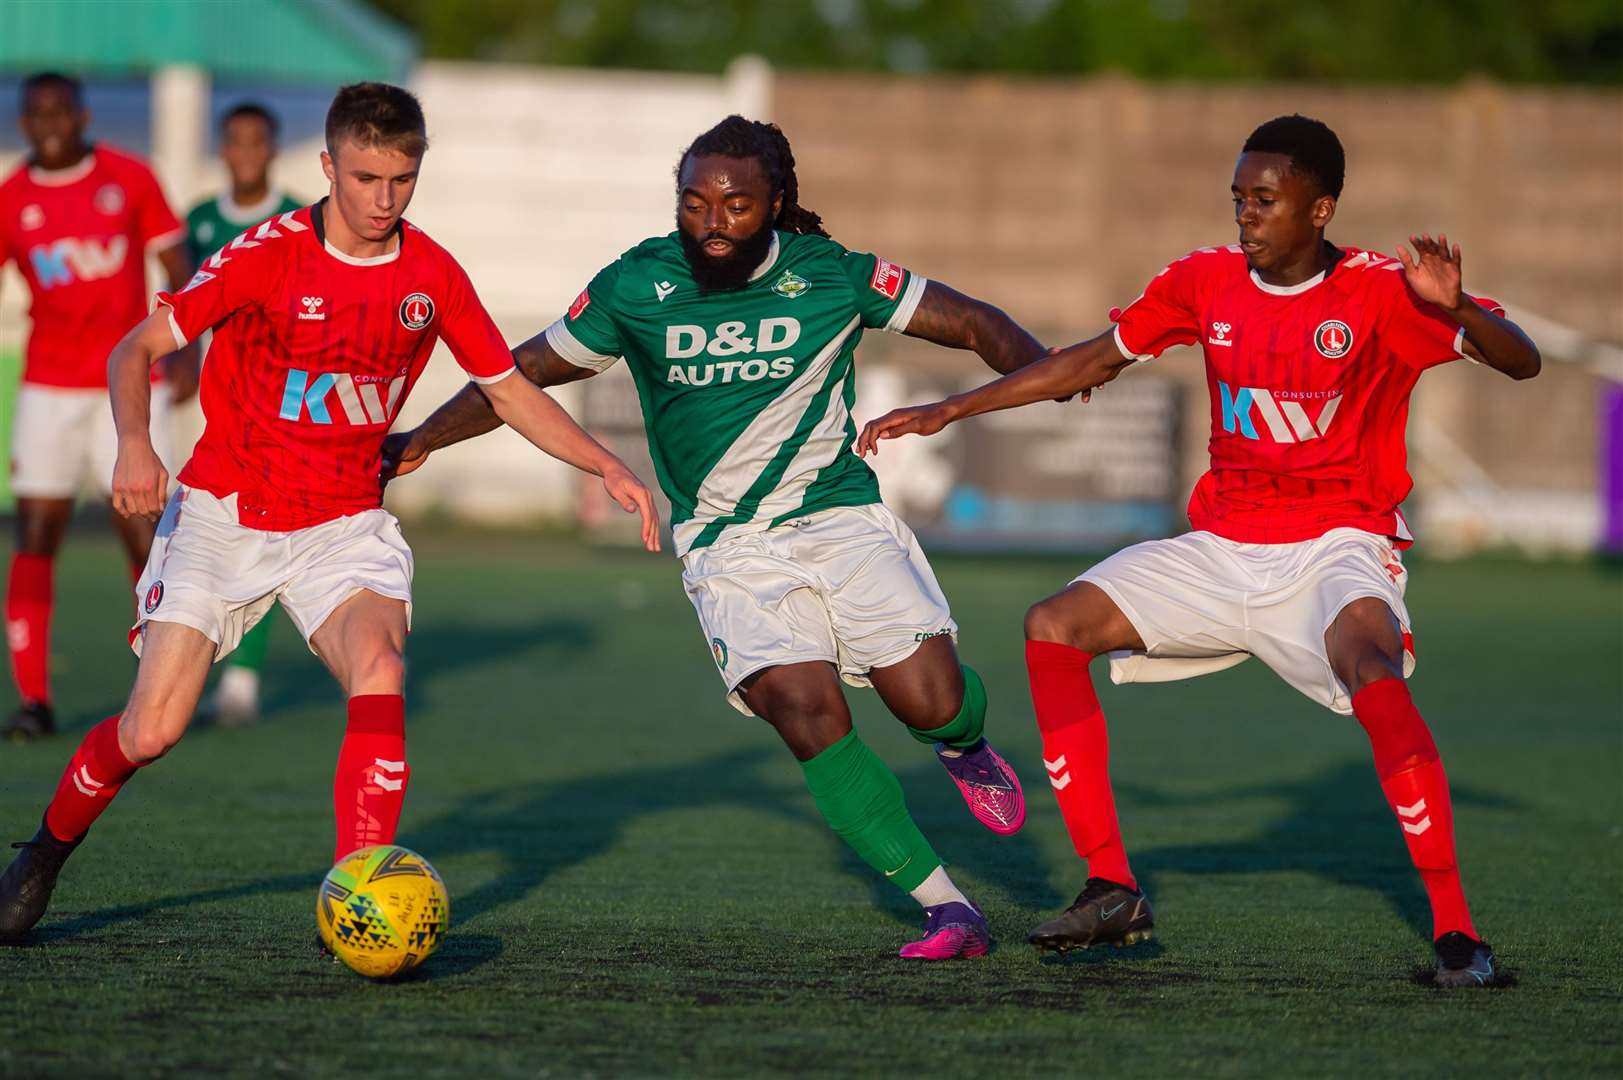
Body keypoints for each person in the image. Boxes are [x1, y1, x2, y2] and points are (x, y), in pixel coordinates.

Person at [856, 114, 1539, 987]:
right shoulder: (1202, 280)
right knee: (1052, 624)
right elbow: (1087, 363)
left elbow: (1519, 364)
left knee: (1372, 669)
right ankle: (1110, 888)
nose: (1245, 215)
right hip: (1221, 545)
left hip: (1336, 548)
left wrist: (1459, 309)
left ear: (1320, 208)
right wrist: (950, 410)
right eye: (1238, 199)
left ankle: (1457, 936)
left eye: (1264, 200)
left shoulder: (1382, 291)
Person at [0, 82, 659, 944]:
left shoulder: (432, 274)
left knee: (380, 671)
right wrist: (134, 443)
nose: (384, 199)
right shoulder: (265, 254)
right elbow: (142, 345)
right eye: (364, 178)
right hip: (224, 514)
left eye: (401, 179)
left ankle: (357, 895)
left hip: (341, 524)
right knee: (152, 729)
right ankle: (43, 854)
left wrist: (607, 464)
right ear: (328, 167)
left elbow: (508, 391)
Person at [383, 116, 1048, 960]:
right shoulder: (636, 285)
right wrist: (424, 438)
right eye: (693, 202)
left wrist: (1045, 372)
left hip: (838, 517)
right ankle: (946, 907)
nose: (712, 221)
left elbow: (974, 324)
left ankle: (961, 742)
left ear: (775, 202)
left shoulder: (832, 275)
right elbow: (514, 376)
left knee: (930, 699)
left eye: (735, 204)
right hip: (729, 545)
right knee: (801, 708)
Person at [0, 71, 197, 740]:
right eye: (37, 111)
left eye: (61, 109)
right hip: (48, 388)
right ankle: (34, 701)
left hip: (129, 389)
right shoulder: (12, 199)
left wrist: (190, 350)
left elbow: (181, 270)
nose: (50, 121)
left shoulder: (130, 177)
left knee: (146, 537)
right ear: (23, 122)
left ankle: (157, 689)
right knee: (35, 535)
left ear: (83, 116)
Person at [183, 101, 306, 726]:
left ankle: (243, 678)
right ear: (224, 149)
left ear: (273, 148)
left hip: (278, 405)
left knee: (261, 533)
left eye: (259, 141)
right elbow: (181, 306)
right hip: (212, 397)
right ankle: (184, 652)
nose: (248, 152)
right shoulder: (201, 220)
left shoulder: (300, 218)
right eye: (236, 141)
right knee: (200, 530)